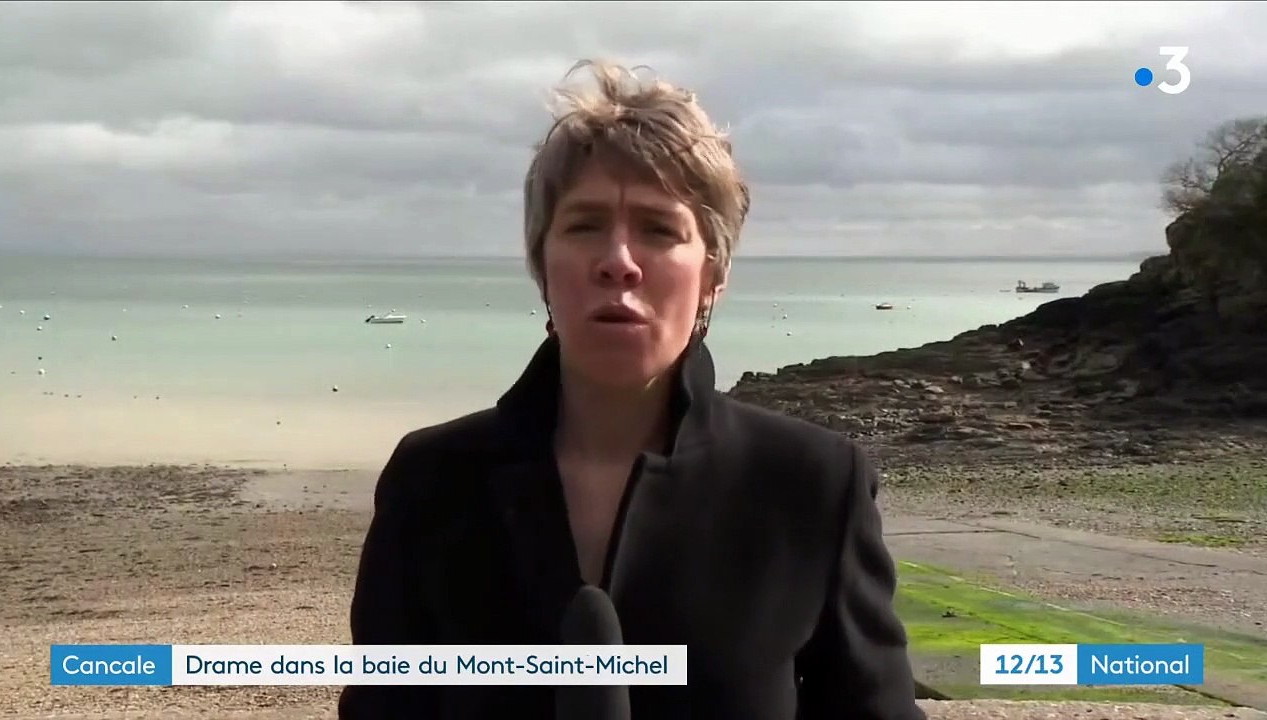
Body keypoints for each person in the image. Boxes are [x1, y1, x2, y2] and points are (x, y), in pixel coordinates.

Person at [337, 59, 925, 720]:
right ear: (543, 265)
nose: (618, 260)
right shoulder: (433, 482)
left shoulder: (811, 486)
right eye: (584, 225)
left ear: (712, 277)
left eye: (658, 229)